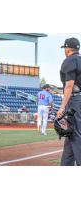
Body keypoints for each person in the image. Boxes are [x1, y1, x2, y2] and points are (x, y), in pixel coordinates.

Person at [57, 37, 81, 166]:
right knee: (70, 134)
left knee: (75, 134)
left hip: (75, 100)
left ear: (67, 49)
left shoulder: (69, 60)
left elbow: (69, 86)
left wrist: (62, 107)